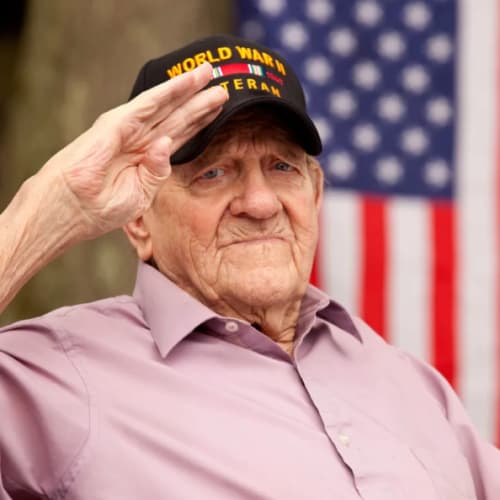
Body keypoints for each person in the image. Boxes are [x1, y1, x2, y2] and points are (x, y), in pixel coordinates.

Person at [0, 34, 498, 500]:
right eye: (214, 172)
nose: (260, 203)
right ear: (137, 218)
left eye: (282, 166)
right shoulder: (62, 374)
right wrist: (53, 206)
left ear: (316, 191)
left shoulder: (412, 383)